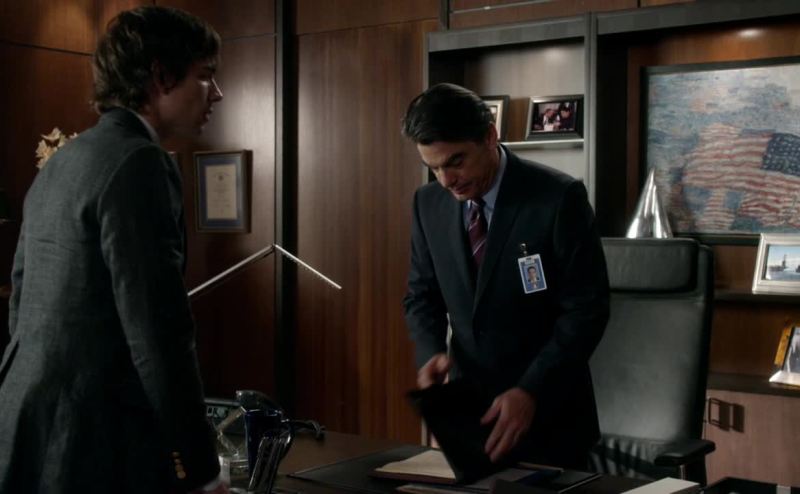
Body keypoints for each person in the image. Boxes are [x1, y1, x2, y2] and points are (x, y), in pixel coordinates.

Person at [0, 6, 227, 494]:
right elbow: (158, 331)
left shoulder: (64, 160)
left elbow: (21, 300)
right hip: (94, 440)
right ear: (160, 77)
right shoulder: (140, 162)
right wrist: (201, 468)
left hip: (26, 424)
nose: (217, 93)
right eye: (206, 75)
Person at [402, 83, 609, 469]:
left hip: (551, 418)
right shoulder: (427, 204)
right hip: (470, 417)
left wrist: (531, 390)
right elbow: (421, 294)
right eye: (434, 167)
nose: (446, 180)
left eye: (456, 161)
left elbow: (586, 311)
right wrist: (430, 352)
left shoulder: (558, 198)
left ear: (489, 136)